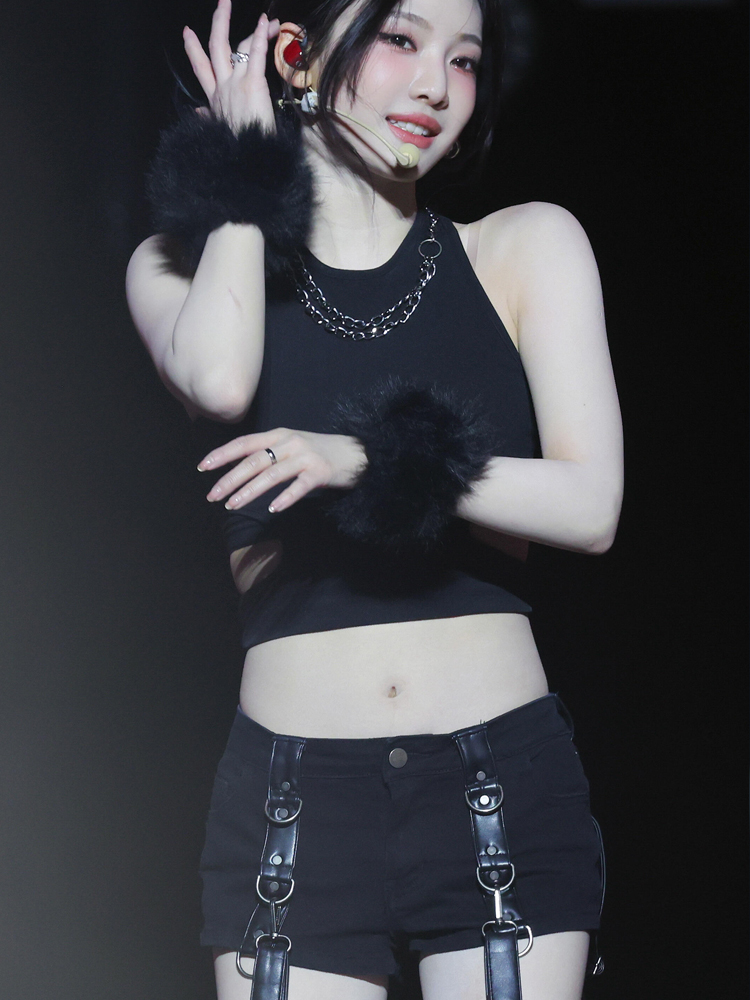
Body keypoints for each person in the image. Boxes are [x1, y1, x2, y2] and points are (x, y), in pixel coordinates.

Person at [126, 0, 623, 997]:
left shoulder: (524, 248)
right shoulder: (175, 266)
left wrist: (368, 458)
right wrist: (245, 171)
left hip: (496, 778)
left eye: (465, 59)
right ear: (298, 53)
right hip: (292, 799)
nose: (437, 85)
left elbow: (590, 505)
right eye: (401, 38)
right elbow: (219, 381)